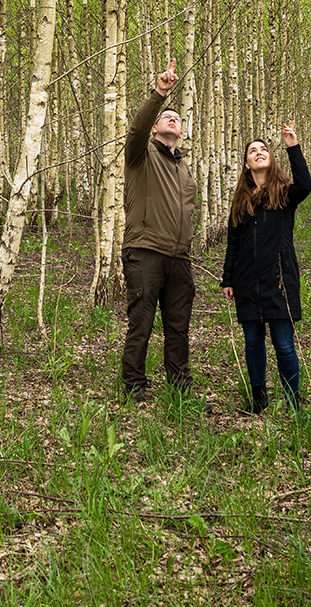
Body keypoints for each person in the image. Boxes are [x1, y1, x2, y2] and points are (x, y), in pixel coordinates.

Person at [120, 60, 198, 402]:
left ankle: (180, 387)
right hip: (146, 251)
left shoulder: (185, 170)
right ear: (155, 128)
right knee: (142, 322)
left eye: (178, 119)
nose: (173, 119)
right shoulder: (141, 155)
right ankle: (134, 386)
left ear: (181, 132)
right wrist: (159, 93)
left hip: (179, 259)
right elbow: (135, 131)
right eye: (166, 116)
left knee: (178, 328)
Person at [221, 122, 311, 414]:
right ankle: (259, 398)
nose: (258, 153)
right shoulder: (240, 200)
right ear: (247, 165)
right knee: (252, 342)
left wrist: (292, 146)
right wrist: (228, 278)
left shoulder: (284, 193)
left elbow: (306, 185)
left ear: (271, 159)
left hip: (280, 279)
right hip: (247, 280)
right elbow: (233, 242)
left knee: (284, 344)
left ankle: (293, 400)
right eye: (252, 151)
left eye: (263, 150)